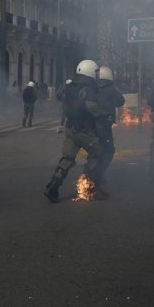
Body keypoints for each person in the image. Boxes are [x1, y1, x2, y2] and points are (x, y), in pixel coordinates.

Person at [44, 60, 106, 203]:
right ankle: (90, 185)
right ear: (90, 71)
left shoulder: (69, 86)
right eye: (95, 72)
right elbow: (91, 105)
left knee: (67, 158)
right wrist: (102, 114)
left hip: (70, 128)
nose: (96, 75)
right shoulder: (88, 87)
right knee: (98, 153)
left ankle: (53, 187)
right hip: (84, 130)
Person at [96, 67, 125, 180]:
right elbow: (120, 101)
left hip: (91, 124)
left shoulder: (93, 88)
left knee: (96, 150)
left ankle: (94, 174)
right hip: (104, 125)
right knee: (108, 150)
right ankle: (98, 174)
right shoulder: (110, 89)